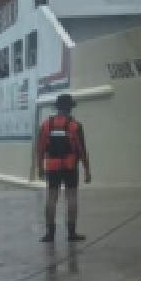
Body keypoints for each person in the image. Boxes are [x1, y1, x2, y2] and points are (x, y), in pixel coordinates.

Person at [36, 94, 91, 242]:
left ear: (57, 107)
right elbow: (82, 149)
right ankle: (71, 233)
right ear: (70, 108)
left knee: (51, 198)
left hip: (52, 166)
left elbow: (40, 148)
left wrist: (40, 167)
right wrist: (87, 169)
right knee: (71, 198)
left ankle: (50, 233)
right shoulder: (75, 126)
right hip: (70, 165)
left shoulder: (46, 125)